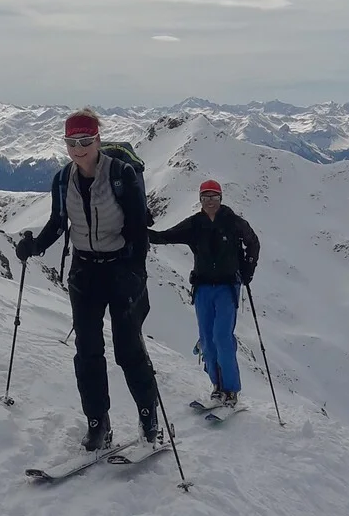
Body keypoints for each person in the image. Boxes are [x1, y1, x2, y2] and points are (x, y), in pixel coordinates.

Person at [15, 108, 160, 450]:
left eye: (84, 141)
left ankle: (148, 416)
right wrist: (33, 246)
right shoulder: (63, 179)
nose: (78, 148)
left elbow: (139, 230)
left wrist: (136, 274)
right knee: (88, 352)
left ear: (97, 139)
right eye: (71, 142)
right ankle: (98, 423)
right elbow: (57, 223)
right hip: (84, 271)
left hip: (120, 268)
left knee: (129, 350)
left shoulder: (121, 174)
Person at [148, 179, 260, 406]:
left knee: (222, 337)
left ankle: (231, 390)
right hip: (202, 288)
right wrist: (138, 229)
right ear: (200, 200)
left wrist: (248, 269)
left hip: (227, 287)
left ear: (221, 198)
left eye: (214, 197)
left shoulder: (234, 222)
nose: (210, 202)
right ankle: (217, 387)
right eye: (206, 198)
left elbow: (253, 243)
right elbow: (164, 237)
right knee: (207, 341)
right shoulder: (194, 224)